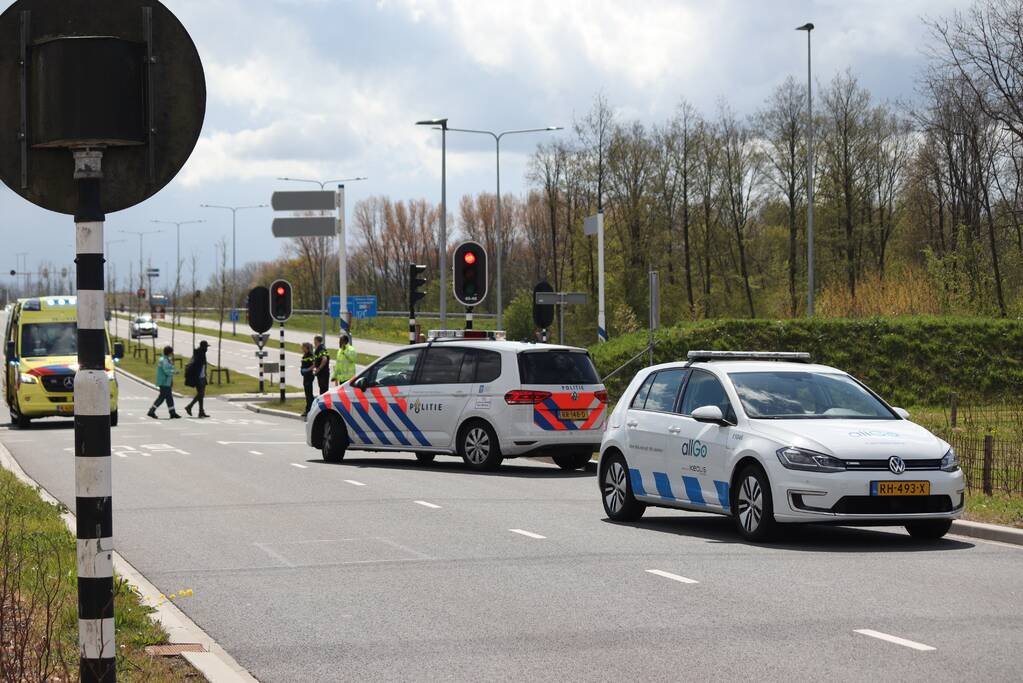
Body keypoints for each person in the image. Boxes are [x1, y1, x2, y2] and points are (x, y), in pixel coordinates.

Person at [148, 346, 181, 419]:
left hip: (166, 382)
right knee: (162, 398)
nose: (172, 353)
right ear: (169, 352)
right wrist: (175, 372)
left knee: (169, 398)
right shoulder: (164, 360)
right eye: (171, 352)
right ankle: (151, 411)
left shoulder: (166, 359)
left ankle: (172, 413)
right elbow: (166, 370)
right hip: (164, 382)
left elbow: (169, 368)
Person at [184, 340, 210, 418]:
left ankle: (201, 411)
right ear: (203, 347)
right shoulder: (200, 354)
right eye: (206, 347)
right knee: (200, 394)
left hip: (202, 376)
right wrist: (198, 377)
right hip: (199, 377)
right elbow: (197, 366)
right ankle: (190, 406)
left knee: (201, 394)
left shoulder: (201, 353)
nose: (207, 348)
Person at [300, 341, 316, 418]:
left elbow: (314, 365)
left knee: (309, 394)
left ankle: (310, 409)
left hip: (309, 376)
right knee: (307, 394)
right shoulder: (305, 355)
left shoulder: (311, 355)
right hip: (305, 377)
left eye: (303, 347)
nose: (302, 348)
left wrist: (307, 370)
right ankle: (308, 409)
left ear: (306, 348)